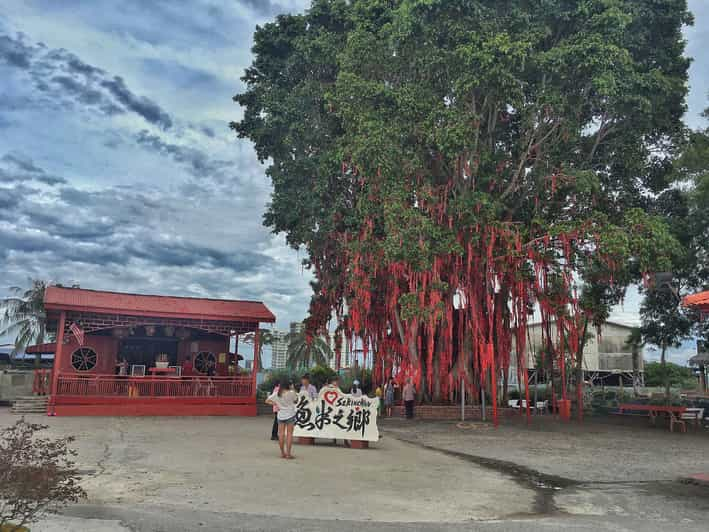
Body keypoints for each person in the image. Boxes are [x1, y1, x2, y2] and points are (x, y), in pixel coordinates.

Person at [266, 380, 298, 459]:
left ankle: (282, 453)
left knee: (281, 434)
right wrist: (293, 389)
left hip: (280, 415)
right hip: (290, 415)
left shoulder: (277, 394)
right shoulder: (292, 393)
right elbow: (296, 400)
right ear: (289, 385)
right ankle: (288, 454)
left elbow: (267, 401)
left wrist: (275, 403)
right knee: (289, 434)